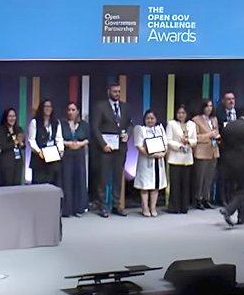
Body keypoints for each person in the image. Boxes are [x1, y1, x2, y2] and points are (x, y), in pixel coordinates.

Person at [91, 80, 129, 217]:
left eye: (119, 91)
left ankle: (116, 205)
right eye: (114, 91)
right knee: (103, 178)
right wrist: (103, 144)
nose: (117, 94)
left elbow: (130, 124)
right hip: (105, 149)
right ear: (109, 92)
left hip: (120, 148)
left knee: (118, 177)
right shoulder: (100, 107)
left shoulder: (125, 107)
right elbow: (95, 128)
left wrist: (127, 134)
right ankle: (103, 206)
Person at [219, 108, 244, 227]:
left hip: (228, 163)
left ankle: (242, 217)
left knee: (236, 190)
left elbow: (222, 144)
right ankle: (229, 210)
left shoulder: (228, 126)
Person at [133, 109, 168, 217]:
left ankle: (153, 207)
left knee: (155, 185)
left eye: (152, 118)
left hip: (158, 161)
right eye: (148, 118)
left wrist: (163, 153)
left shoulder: (160, 129)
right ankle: (145, 207)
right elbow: (139, 145)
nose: (150, 120)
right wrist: (149, 155)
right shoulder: (141, 129)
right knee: (145, 185)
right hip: (146, 161)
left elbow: (165, 144)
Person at [59, 102, 90, 217]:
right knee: (67, 181)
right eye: (69, 110)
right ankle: (67, 209)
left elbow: (88, 138)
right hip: (67, 156)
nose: (71, 112)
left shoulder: (84, 125)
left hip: (79, 155)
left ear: (77, 111)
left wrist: (80, 144)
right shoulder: (62, 124)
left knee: (79, 181)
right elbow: (58, 138)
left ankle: (79, 208)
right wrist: (68, 144)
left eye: (73, 110)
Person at [166, 104, 197, 214]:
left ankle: (184, 207)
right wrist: (179, 145)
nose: (181, 115)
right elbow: (168, 140)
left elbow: (195, 140)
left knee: (185, 184)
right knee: (175, 184)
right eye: (179, 113)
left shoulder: (192, 124)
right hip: (175, 158)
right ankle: (174, 207)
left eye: (183, 113)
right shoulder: (171, 124)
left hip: (187, 158)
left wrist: (188, 142)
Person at [28, 99, 64, 187]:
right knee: (39, 184)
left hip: (52, 157)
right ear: (42, 108)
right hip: (39, 158)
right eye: (46, 106)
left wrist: (61, 149)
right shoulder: (35, 122)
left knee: (52, 183)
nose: (48, 109)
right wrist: (38, 151)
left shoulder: (56, 122)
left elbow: (59, 138)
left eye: (50, 106)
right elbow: (31, 140)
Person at [192, 98, 220, 209]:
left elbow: (216, 132)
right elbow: (196, 137)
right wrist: (209, 135)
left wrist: (217, 137)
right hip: (202, 152)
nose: (209, 108)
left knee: (209, 177)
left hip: (213, 151)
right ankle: (198, 198)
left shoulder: (214, 119)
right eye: (207, 106)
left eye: (211, 106)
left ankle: (206, 198)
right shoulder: (196, 120)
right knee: (200, 177)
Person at [215, 91, 238, 206]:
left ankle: (231, 197)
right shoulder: (218, 113)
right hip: (224, 148)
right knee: (223, 175)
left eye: (232, 99)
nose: (231, 101)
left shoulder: (238, 113)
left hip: (236, 148)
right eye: (228, 99)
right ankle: (222, 198)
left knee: (233, 175)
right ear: (223, 101)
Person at [0, 108, 25, 187]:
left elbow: (23, 146)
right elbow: (2, 146)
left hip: (18, 161)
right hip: (6, 163)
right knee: (7, 185)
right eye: (10, 116)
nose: (12, 118)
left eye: (14, 116)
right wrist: (14, 143)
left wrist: (21, 143)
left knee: (17, 185)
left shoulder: (19, 129)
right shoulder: (0, 130)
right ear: (6, 117)